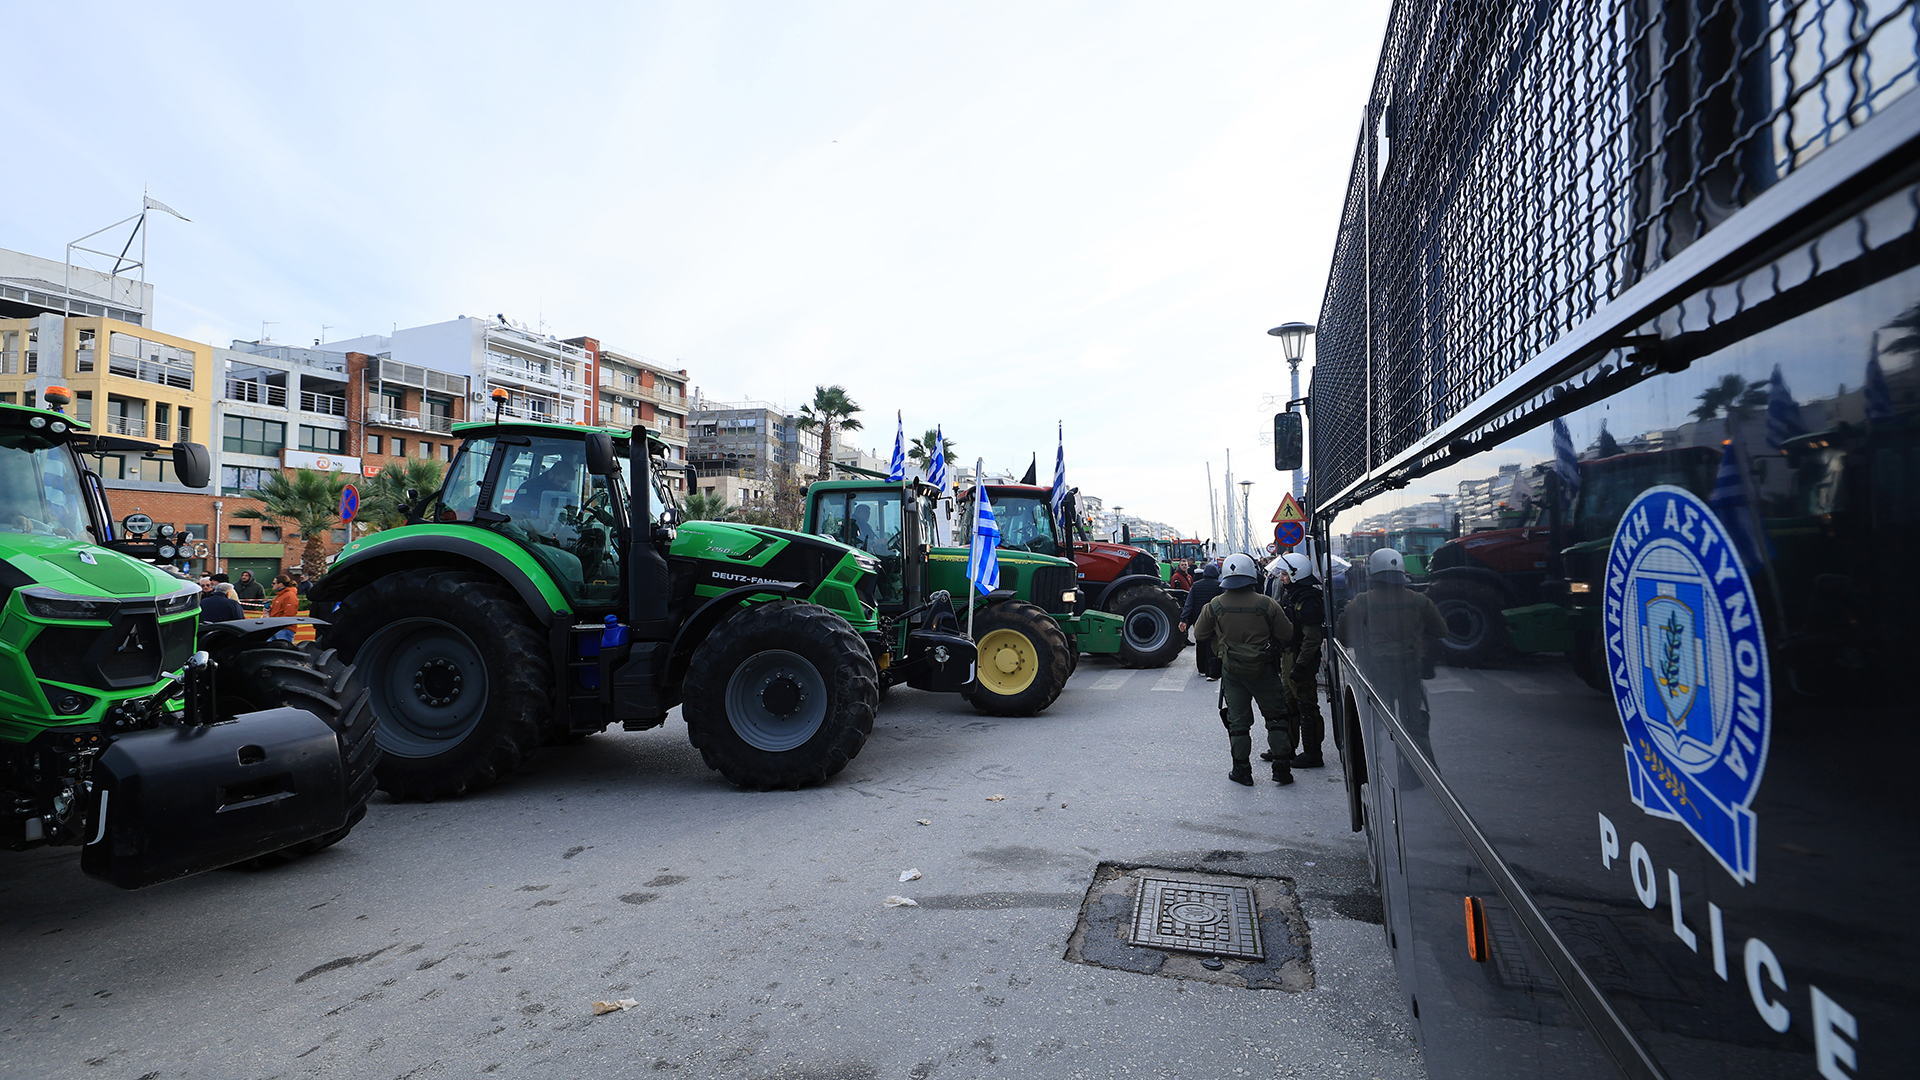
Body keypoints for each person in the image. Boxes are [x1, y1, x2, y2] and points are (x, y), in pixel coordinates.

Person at [1194, 553, 1296, 786]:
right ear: (1252, 574)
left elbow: (1199, 634)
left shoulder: (1215, 605)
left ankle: (1242, 770)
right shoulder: (1267, 604)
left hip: (1233, 671)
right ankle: (1281, 769)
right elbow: (1286, 634)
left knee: (1238, 724)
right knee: (1276, 719)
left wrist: (1221, 642)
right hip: (1265, 670)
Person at [1336, 548, 1447, 755]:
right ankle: (1416, 767)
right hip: (1410, 671)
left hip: (1374, 673)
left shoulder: (1361, 602)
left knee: (1372, 723)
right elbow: (1441, 630)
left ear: (1373, 573)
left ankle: (1376, 762)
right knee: (1414, 724)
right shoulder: (1419, 600)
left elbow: (1343, 637)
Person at [1265, 552, 1328, 768]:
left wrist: (1301, 666)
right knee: (1288, 703)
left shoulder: (1308, 599)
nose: (1281, 578)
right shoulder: (1294, 595)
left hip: (1301, 657)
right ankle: (1286, 748)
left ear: (1296, 574)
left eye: (1284, 574)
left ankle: (1312, 753)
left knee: (1306, 705)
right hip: (1289, 654)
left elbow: (1312, 639)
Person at [1179, 561, 1225, 679]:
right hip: (1214, 618)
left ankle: (1201, 669)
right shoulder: (1219, 586)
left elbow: (1189, 604)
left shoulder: (1196, 585)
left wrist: (1183, 619)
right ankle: (1211, 669)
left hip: (1198, 618)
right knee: (1213, 643)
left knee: (1200, 641)